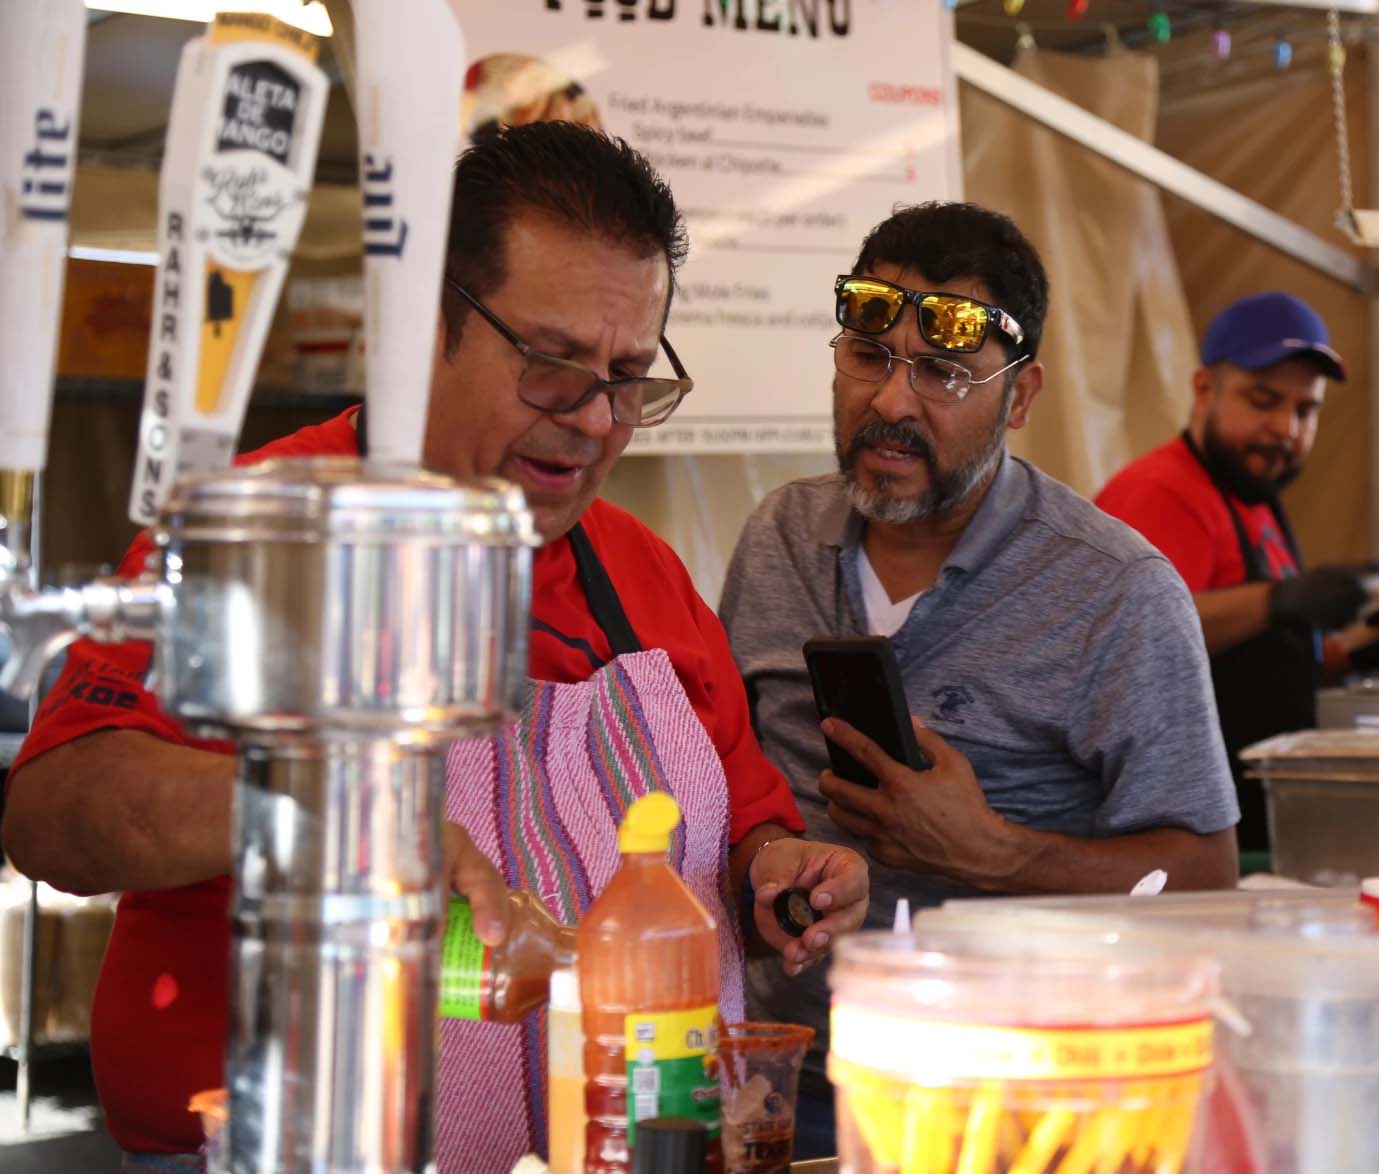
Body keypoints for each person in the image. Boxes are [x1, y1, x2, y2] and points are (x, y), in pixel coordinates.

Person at [2, 123, 869, 1174]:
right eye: (552, 366)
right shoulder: (261, 526)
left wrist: (779, 870)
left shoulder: (641, 572)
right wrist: (338, 814)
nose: (594, 419)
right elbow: (55, 811)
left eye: (627, 377)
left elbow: (740, 824)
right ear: (424, 330)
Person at [717, 201, 1240, 1155]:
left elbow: (1206, 879)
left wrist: (994, 851)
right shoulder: (777, 542)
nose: (892, 404)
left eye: (945, 374)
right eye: (869, 360)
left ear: (1022, 394)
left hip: (1012, 1109)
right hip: (778, 1085)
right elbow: (724, 780)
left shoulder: (1116, 591)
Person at [1094, 292, 1379, 853]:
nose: (1285, 428)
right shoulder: (1162, 493)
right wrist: (1279, 600)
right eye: (1263, 401)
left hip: (1251, 814)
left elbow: (1264, 655)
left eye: (1305, 411)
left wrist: (1361, 652)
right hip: (1181, 832)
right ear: (1205, 390)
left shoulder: (1255, 497)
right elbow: (1135, 641)